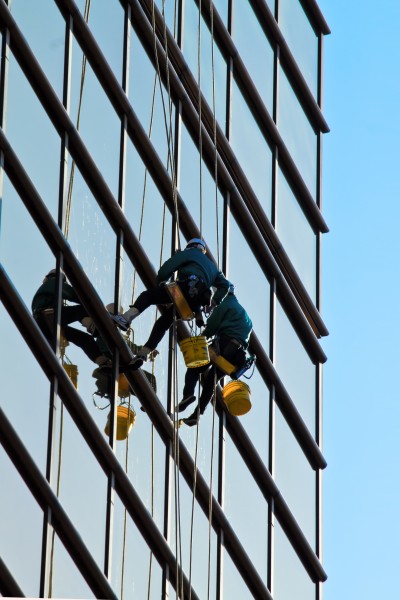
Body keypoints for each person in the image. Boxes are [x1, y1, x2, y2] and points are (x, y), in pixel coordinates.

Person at [112, 238, 230, 369]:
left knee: (148, 296)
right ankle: (144, 353)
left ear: (191, 246)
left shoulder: (190, 253)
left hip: (185, 288)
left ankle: (126, 318)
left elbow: (166, 269)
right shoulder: (213, 268)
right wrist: (214, 302)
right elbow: (226, 286)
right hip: (195, 303)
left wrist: (161, 282)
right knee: (164, 322)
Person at [176, 284, 253, 426]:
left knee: (194, 368)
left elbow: (212, 325)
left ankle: (188, 395)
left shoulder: (225, 305)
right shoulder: (246, 316)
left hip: (222, 346)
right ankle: (197, 414)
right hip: (235, 356)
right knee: (211, 381)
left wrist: (202, 337)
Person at [32, 269, 111, 367]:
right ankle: (91, 325)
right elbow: (71, 294)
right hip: (48, 316)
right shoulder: (53, 283)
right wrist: (90, 302)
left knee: (84, 339)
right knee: (81, 309)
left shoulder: (44, 293)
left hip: (46, 326)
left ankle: (102, 362)